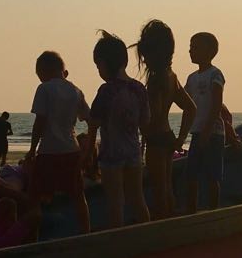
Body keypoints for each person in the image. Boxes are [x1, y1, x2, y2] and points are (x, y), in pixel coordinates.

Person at [86, 31, 151, 229]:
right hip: (133, 152)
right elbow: (145, 122)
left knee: (115, 202)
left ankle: (117, 239)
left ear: (105, 63)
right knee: (137, 198)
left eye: (98, 66)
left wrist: (88, 154)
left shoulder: (106, 91)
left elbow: (93, 124)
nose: (99, 71)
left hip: (111, 154)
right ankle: (148, 235)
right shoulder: (139, 88)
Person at [23, 51, 91, 233]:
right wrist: (89, 147)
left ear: (43, 71)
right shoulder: (76, 91)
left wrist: (32, 149)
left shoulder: (44, 89)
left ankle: (33, 236)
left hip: (49, 151)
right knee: (78, 195)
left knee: (34, 195)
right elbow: (89, 119)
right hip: (72, 149)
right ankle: (85, 231)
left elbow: (40, 121)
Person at [135, 19, 195, 218]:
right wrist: (180, 138)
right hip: (168, 137)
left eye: (146, 55)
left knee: (159, 189)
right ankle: (170, 219)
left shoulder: (156, 81)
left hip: (156, 140)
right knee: (167, 187)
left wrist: (140, 126)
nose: (144, 60)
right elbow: (190, 108)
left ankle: (163, 224)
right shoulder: (171, 76)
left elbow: (153, 115)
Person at [179, 31, 226, 213]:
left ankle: (213, 211)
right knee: (191, 175)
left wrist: (207, 130)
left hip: (213, 133)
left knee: (212, 176)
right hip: (196, 132)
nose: (191, 51)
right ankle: (192, 211)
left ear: (208, 51)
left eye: (195, 47)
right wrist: (182, 135)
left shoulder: (215, 74)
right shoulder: (191, 78)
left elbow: (216, 104)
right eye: (191, 47)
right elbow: (186, 106)